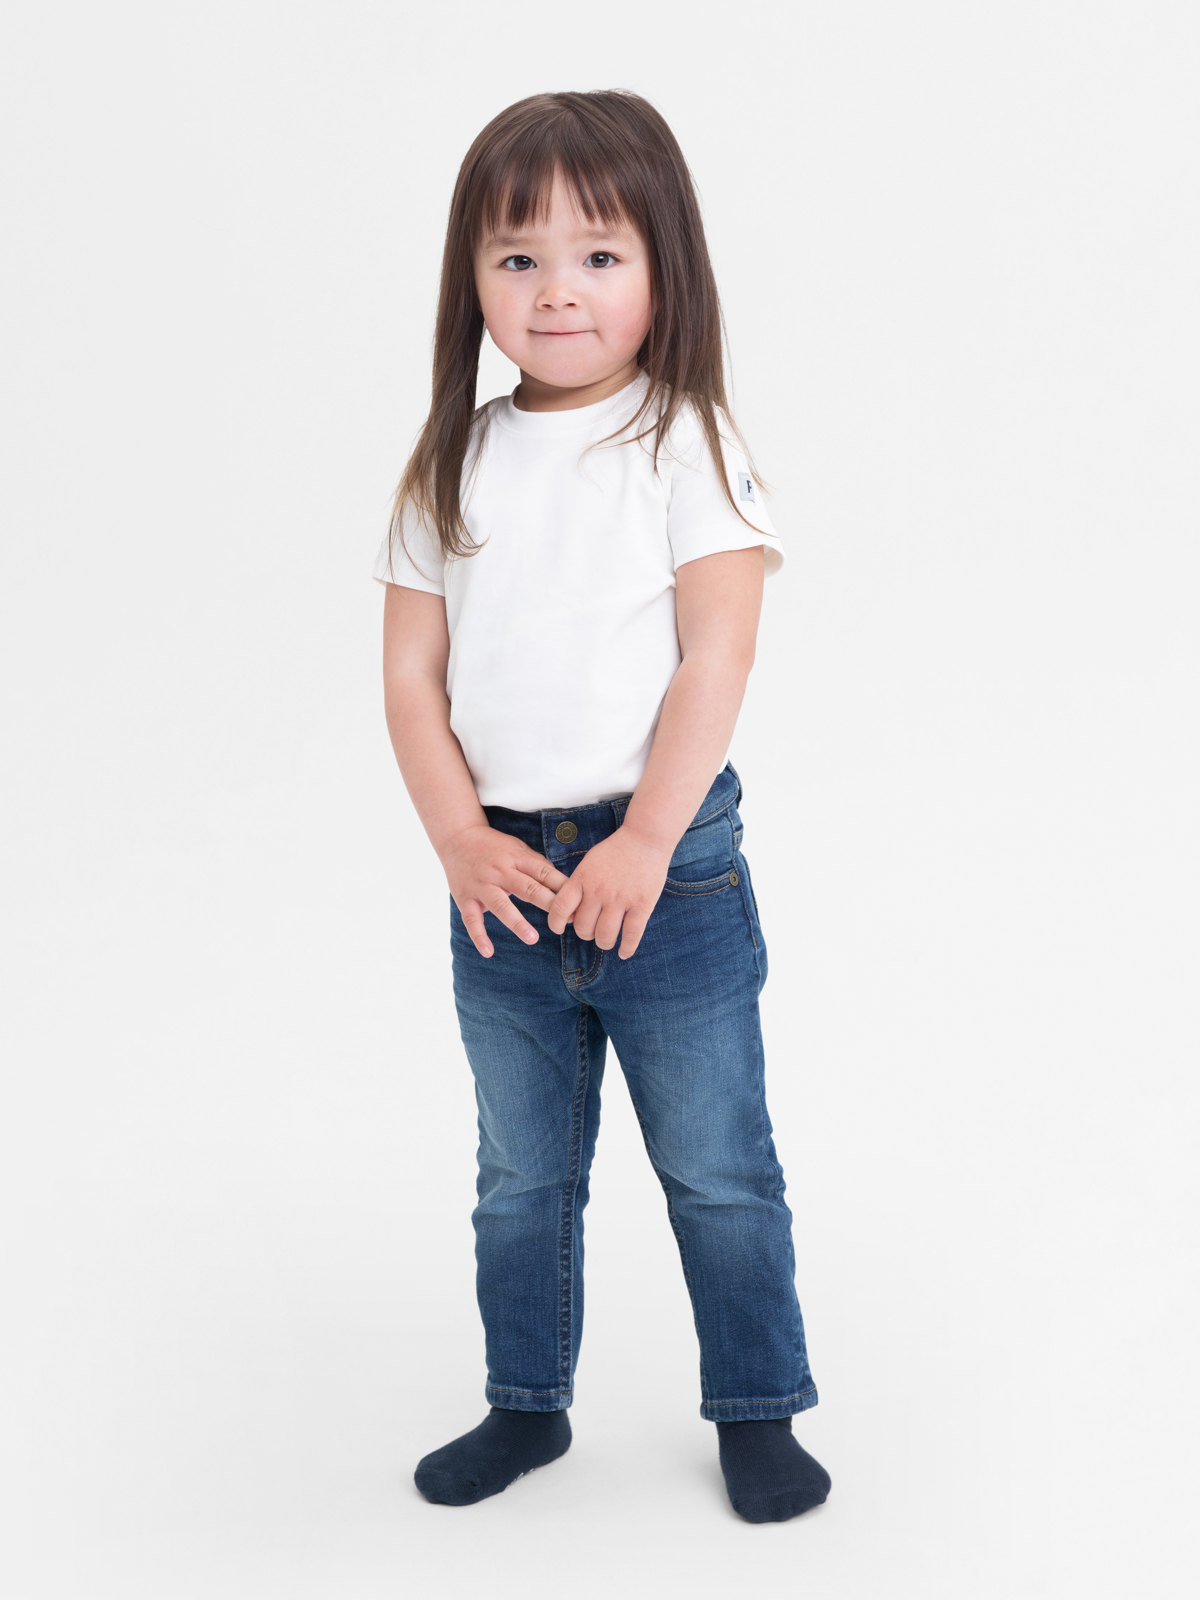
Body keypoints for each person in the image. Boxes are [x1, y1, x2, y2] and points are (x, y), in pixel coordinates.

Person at [372, 88, 831, 1525]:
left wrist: (643, 839)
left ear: (663, 267)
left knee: (718, 1165)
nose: (556, 290)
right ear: (472, 280)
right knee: (520, 1174)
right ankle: (527, 1404)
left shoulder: (684, 438)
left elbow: (718, 655)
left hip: (665, 871)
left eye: (599, 255)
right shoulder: (452, 458)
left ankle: (758, 1408)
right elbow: (410, 674)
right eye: (517, 258)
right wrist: (460, 837)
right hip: (503, 878)